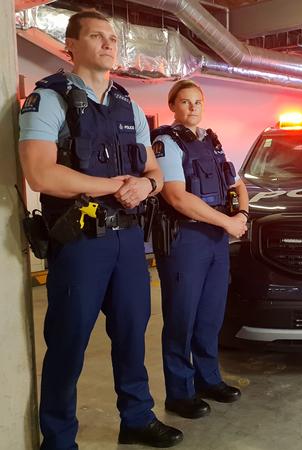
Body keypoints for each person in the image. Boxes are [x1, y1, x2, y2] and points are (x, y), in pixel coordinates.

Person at [18, 10, 183, 449]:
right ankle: (58, 439)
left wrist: (146, 184)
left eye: (112, 37)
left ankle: (137, 418)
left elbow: (153, 171)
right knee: (68, 342)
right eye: (97, 36)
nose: (109, 43)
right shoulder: (49, 98)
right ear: (70, 45)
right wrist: (113, 185)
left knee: (132, 331)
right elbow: (40, 174)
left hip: (128, 239)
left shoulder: (127, 103)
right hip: (79, 243)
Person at [152, 79, 248, 419]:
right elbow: (177, 197)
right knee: (182, 318)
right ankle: (179, 393)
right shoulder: (166, 142)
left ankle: (208, 380)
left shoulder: (214, 142)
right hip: (185, 241)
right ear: (174, 107)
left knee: (210, 316)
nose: (193, 107)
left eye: (198, 102)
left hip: (215, 241)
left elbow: (238, 184)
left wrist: (242, 213)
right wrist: (228, 223)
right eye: (185, 102)